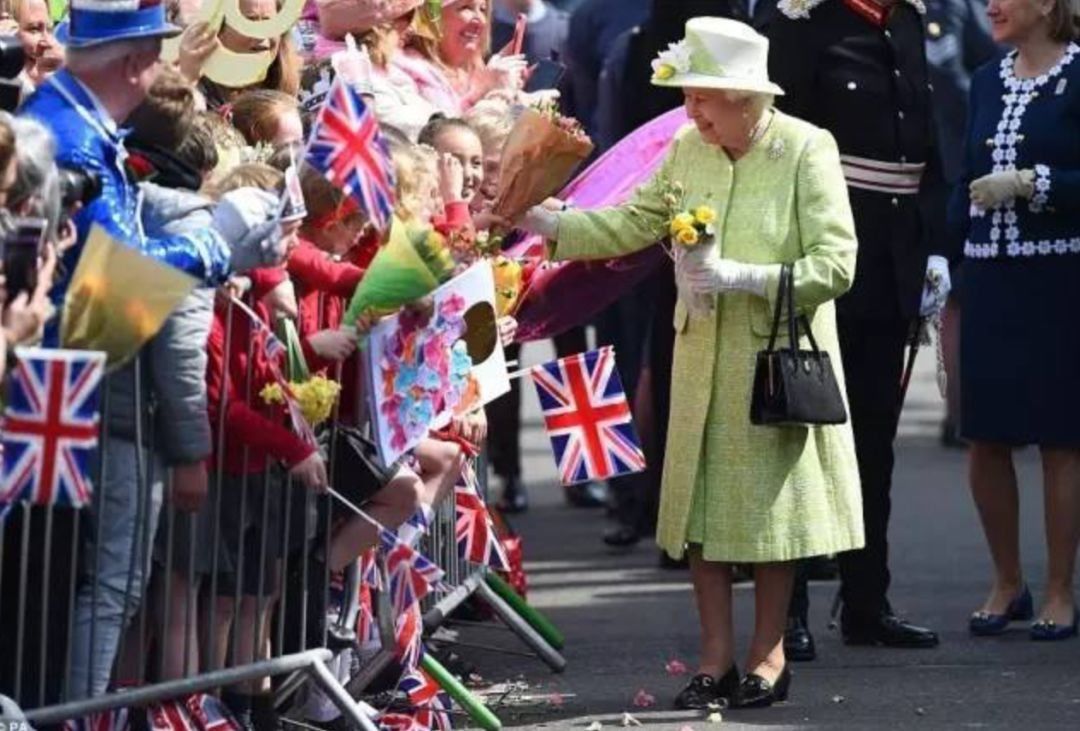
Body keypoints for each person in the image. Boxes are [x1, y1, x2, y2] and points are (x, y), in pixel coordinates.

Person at [519, 18, 864, 709]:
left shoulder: (806, 148)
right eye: (689, 97)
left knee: (771, 519)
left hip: (773, 360)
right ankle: (713, 658)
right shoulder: (685, 147)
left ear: (745, 97)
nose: (690, 111)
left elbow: (837, 263)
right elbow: (628, 223)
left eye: (703, 97)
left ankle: (767, 656)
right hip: (701, 356)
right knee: (701, 516)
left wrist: (744, 276)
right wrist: (548, 224)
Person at [767, 0, 952, 661]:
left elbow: (923, 138)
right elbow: (778, 144)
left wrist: (933, 245)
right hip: (825, 257)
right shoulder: (800, 18)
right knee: (802, 435)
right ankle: (785, 610)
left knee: (875, 439)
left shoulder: (903, 18)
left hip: (893, 256)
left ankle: (867, 599)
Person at [952, 0, 1080, 640]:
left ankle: (1061, 588)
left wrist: (1037, 183)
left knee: (1061, 438)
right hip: (991, 276)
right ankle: (1008, 581)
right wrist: (941, 263)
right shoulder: (985, 78)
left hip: (1060, 278)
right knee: (986, 434)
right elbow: (963, 176)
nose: (991, 6)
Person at [923, 0, 999, 447]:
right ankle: (962, 414)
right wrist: (1004, 103)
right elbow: (949, 73)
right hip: (953, 167)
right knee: (959, 297)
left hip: (983, 167)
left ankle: (978, 410)